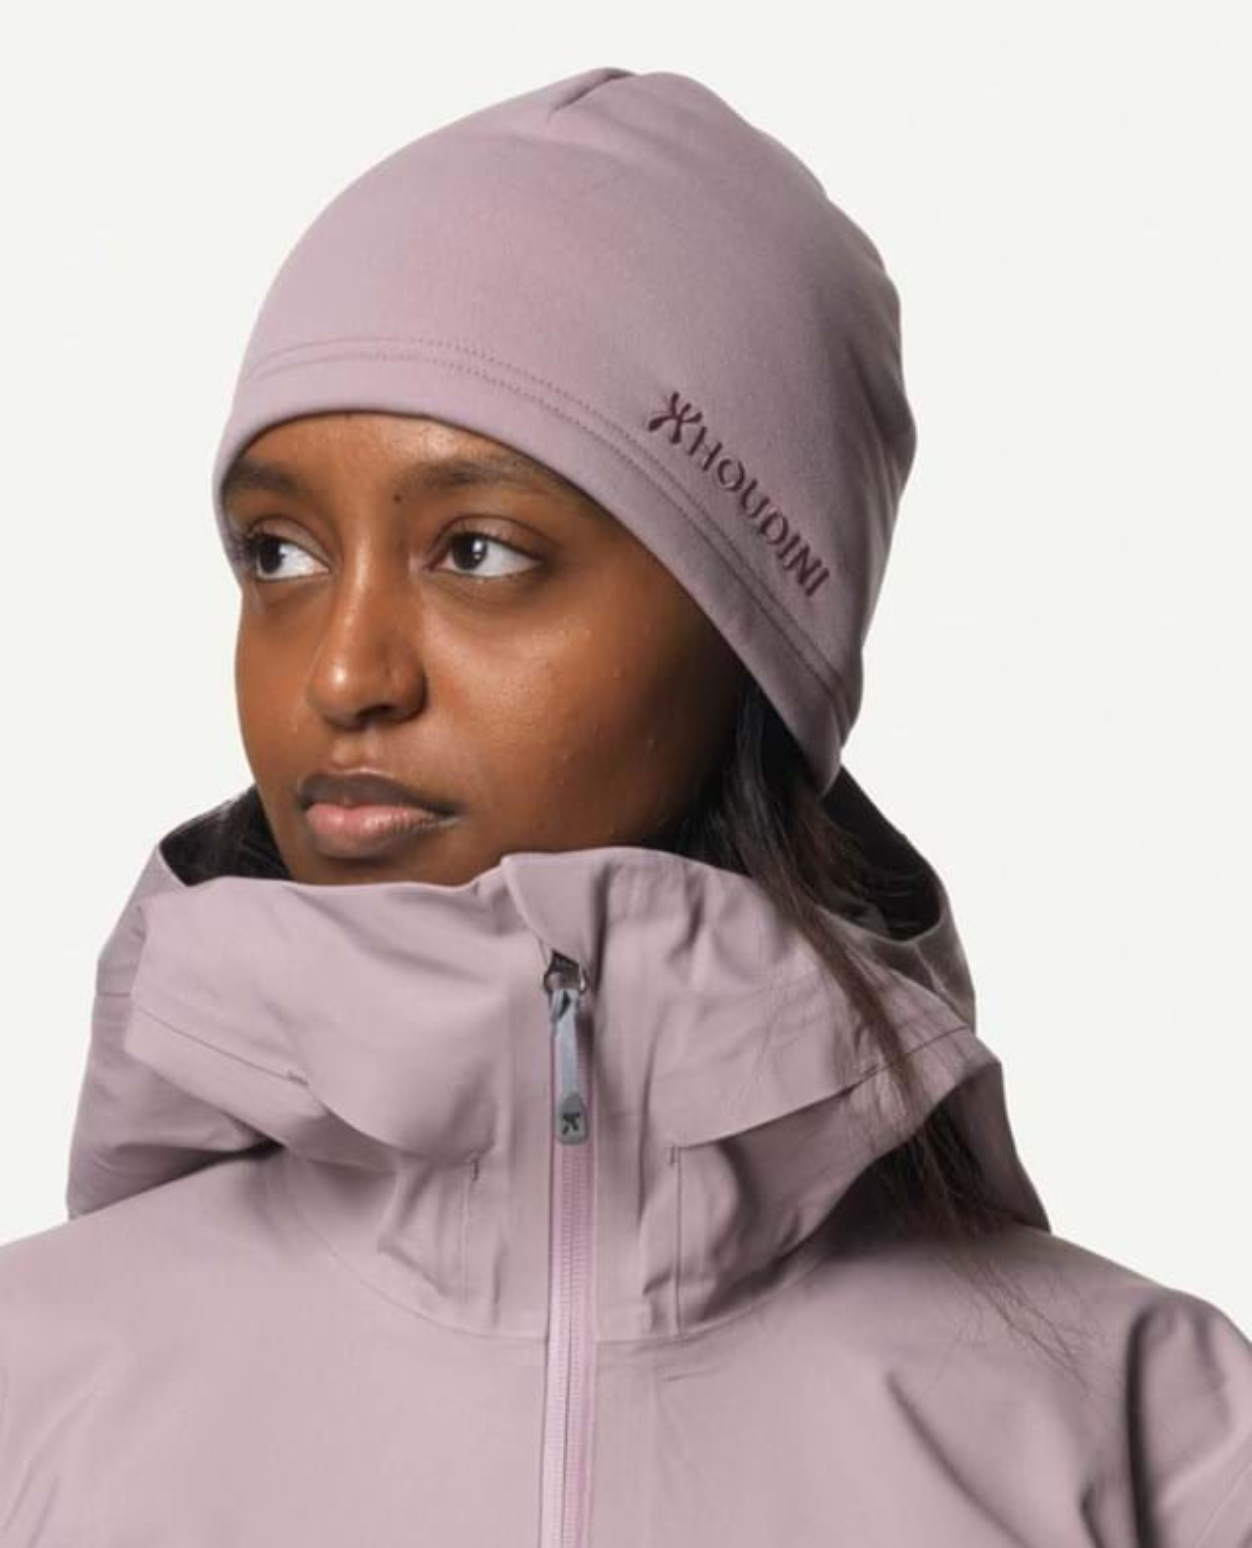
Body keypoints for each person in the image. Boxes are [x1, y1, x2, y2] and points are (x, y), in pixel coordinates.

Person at [1, 64, 1249, 1547]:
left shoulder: (1150, 1430)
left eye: (477, 550)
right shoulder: (34, 1382)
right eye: (279, 554)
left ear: (755, 636)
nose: (340, 672)